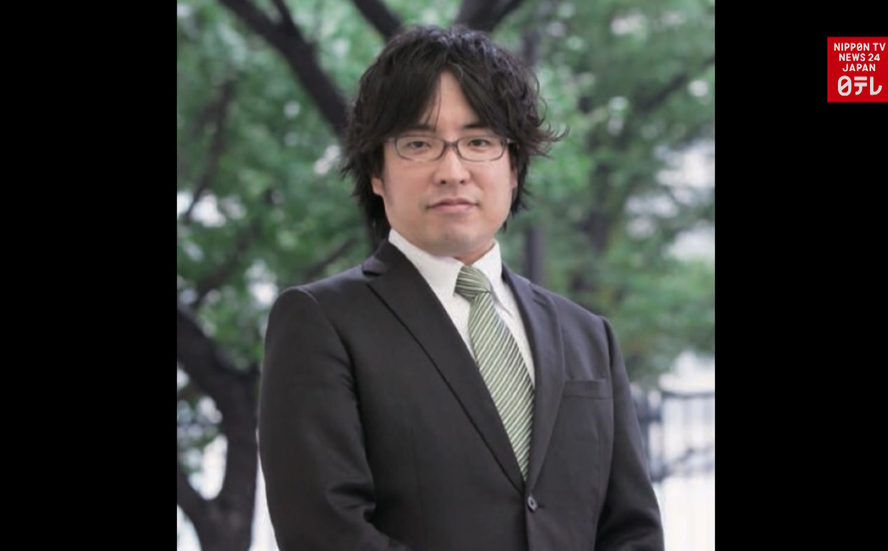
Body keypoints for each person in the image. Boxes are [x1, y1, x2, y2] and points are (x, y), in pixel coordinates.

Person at [259, 24, 664, 551]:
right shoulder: (320, 322)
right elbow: (325, 533)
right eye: (418, 143)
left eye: (478, 142)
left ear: (514, 165)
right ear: (376, 171)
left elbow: (633, 531)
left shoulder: (588, 336)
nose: (452, 171)